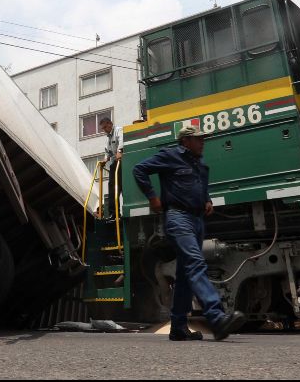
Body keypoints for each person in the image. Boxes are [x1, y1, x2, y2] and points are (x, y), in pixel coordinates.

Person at [132, 125, 245, 341]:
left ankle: (178, 327)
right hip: (178, 217)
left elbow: (199, 185)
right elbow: (139, 169)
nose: (203, 142)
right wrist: (152, 197)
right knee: (195, 262)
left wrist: (207, 199)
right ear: (185, 141)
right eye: (198, 139)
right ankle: (217, 318)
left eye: (203, 139)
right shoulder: (170, 155)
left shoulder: (198, 163)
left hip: (197, 220)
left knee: (185, 276)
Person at [99, 117, 122, 221]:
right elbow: (108, 152)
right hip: (115, 163)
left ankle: (121, 211)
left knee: (121, 187)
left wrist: (120, 151)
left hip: (122, 162)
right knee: (112, 187)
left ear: (110, 124)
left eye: (104, 127)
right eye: (102, 128)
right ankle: (114, 213)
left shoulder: (118, 130)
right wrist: (104, 160)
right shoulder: (108, 138)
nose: (104, 130)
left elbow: (122, 141)